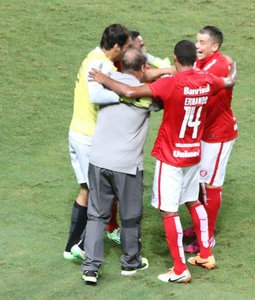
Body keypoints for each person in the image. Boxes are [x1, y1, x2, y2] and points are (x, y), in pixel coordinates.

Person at [89, 40, 237, 283]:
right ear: (195, 60)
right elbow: (229, 81)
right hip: (193, 154)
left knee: (169, 211)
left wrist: (105, 80)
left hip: (170, 156)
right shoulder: (208, 80)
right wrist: (234, 66)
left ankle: (180, 269)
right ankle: (206, 254)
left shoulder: (171, 83)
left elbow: (129, 92)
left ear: (175, 59)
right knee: (192, 201)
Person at [81, 47, 155, 285]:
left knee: (96, 216)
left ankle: (90, 268)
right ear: (144, 68)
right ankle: (130, 262)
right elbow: (168, 90)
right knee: (131, 216)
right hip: (126, 165)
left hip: (98, 160)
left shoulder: (106, 83)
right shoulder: (146, 94)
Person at [64, 24, 131, 261]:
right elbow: (95, 95)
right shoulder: (102, 64)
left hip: (76, 132)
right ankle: (82, 245)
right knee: (102, 193)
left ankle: (70, 246)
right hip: (89, 138)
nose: (125, 52)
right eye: (125, 47)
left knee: (86, 189)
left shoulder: (90, 57)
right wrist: (121, 96)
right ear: (115, 46)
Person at [106, 30, 174, 246]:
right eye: (140, 46)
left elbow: (147, 74)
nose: (144, 50)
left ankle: (111, 228)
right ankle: (114, 232)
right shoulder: (116, 71)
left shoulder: (129, 64)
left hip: (121, 139)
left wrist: (170, 70)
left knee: (111, 188)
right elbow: (137, 87)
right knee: (114, 188)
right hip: (115, 137)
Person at [184, 26, 238, 253]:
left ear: (214, 46)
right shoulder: (205, 62)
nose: (197, 46)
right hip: (204, 133)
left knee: (211, 185)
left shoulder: (217, 65)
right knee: (198, 181)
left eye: (202, 43)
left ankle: (208, 234)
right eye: (197, 41)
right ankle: (199, 225)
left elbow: (198, 82)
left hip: (218, 135)